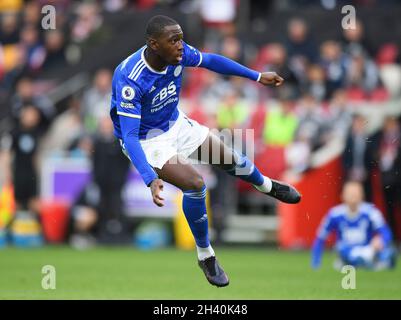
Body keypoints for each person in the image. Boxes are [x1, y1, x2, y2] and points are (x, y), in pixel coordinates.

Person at [109, 15, 301, 287]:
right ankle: (205, 255)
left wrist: (256, 76)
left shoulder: (178, 54)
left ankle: (266, 186)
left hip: (175, 122)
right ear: (153, 44)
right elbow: (129, 135)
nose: (180, 45)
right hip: (147, 140)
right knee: (196, 183)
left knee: (229, 158)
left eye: (181, 38)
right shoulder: (131, 77)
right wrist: (149, 178)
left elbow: (211, 61)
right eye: (173, 40)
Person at [311, 181, 396, 270]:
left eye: (356, 194)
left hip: (367, 250)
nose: (353, 197)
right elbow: (320, 237)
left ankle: (366, 261)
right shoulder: (334, 214)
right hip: (345, 251)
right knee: (341, 248)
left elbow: (386, 233)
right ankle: (365, 262)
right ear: (342, 195)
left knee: (384, 252)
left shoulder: (371, 212)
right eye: (350, 194)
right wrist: (316, 262)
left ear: (362, 195)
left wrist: (380, 241)